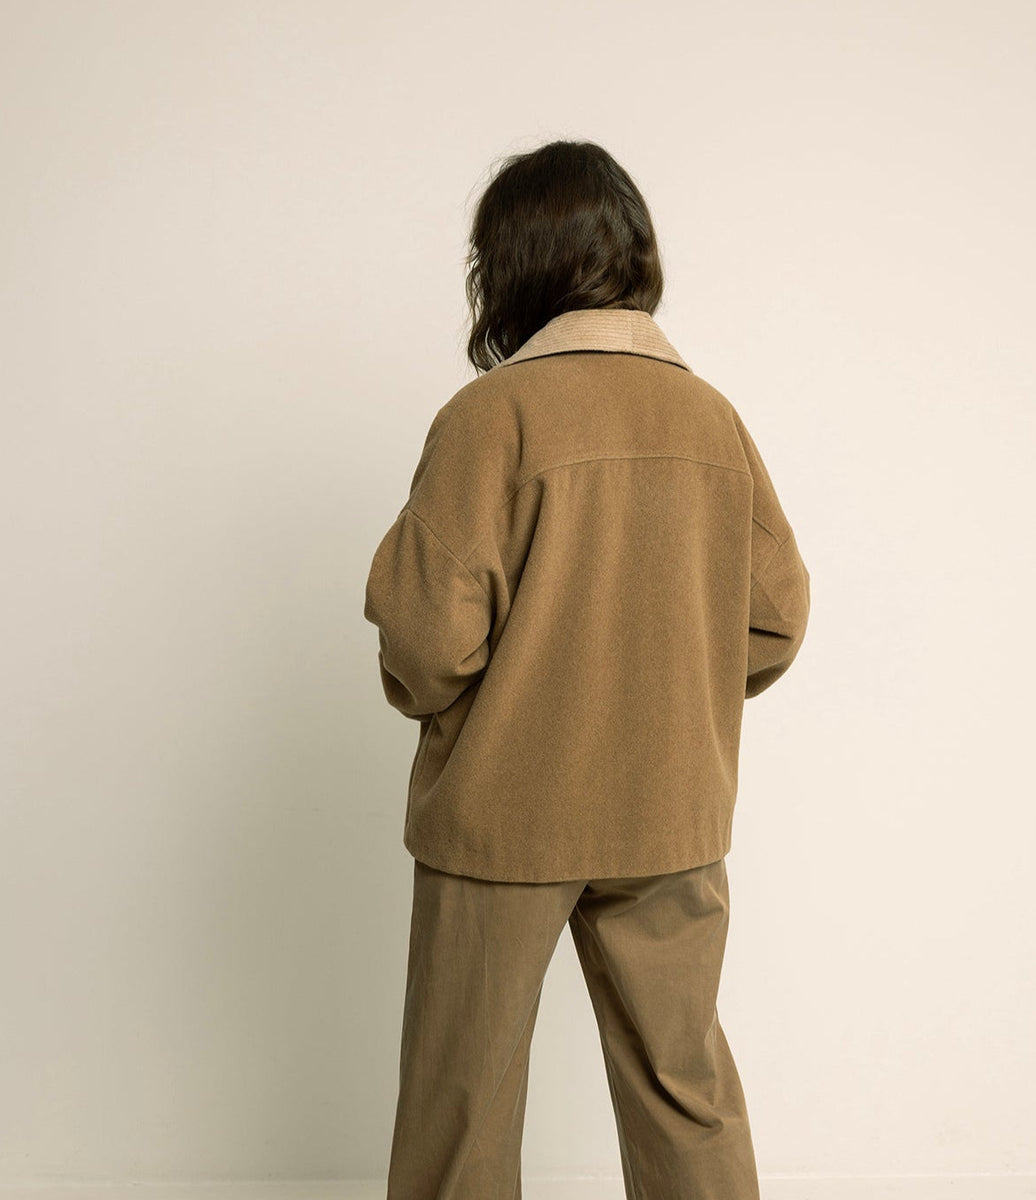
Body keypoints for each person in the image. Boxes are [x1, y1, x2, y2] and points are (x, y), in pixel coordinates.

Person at [363, 138, 811, 1200]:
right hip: (669, 812)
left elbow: (427, 643)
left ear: (508, 266)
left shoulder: (491, 417)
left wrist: (500, 699)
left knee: (459, 1104)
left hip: (501, 815)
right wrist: (672, 684)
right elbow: (777, 616)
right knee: (683, 1087)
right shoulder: (712, 420)